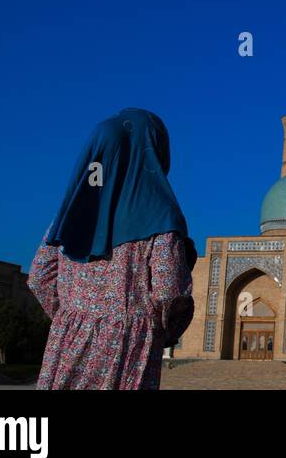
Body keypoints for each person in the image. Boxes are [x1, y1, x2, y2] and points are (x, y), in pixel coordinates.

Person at [27, 108, 196, 389]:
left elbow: (38, 277)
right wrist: (166, 329)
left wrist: (72, 316)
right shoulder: (160, 218)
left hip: (67, 340)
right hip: (126, 346)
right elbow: (168, 292)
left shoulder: (70, 215)